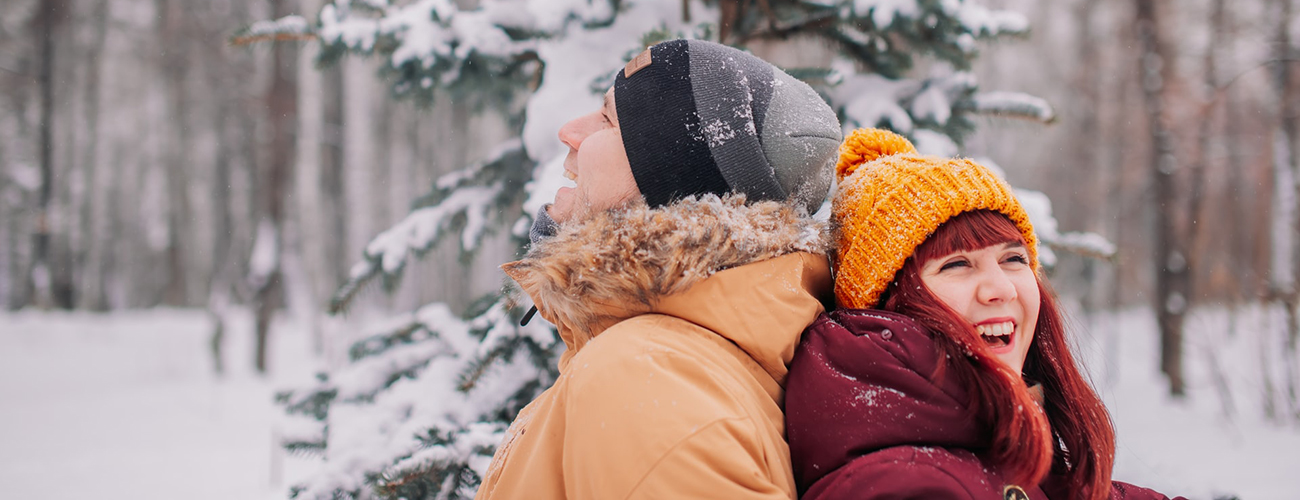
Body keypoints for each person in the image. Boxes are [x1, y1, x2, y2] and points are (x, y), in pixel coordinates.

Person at [475, 39, 843, 500]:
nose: (569, 131)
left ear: (667, 182)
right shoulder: (675, 363)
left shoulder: (643, 378)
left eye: (609, 119)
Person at [785, 128, 1183, 500]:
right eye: (956, 264)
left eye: (1013, 258)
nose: (1002, 288)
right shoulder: (904, 482)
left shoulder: (994, 444)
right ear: (888, 302)